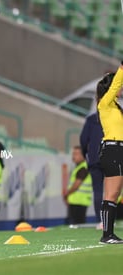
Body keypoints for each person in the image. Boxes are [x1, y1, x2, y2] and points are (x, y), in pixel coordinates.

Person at [97, 63, 123, 244]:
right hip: (114, 149)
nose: (120, 89)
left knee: (110, 195)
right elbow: (115, 85)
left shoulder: (114, 107)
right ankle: (107, 235)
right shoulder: (105, 103)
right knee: (112, 194)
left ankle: (107, 234)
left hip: (115, 149)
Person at [80, 111, 104, 228]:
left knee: (98, 190)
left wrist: (86, 154)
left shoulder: (91, 119)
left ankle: (101, 221)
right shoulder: (115, 114)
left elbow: (84, 140)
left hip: (95, 158)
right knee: (112, 189)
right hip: (112, 156)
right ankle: (110, 219)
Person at [63, 146, 92, 225]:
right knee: (76, 224)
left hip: (80, 201)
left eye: (76, 154)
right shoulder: (79, 167)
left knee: (78, 224)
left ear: (83, 155)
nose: (73, 156)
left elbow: (77, 184)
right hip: (76, 201)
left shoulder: (83, 168)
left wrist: (67, 194)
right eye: (73, 154)